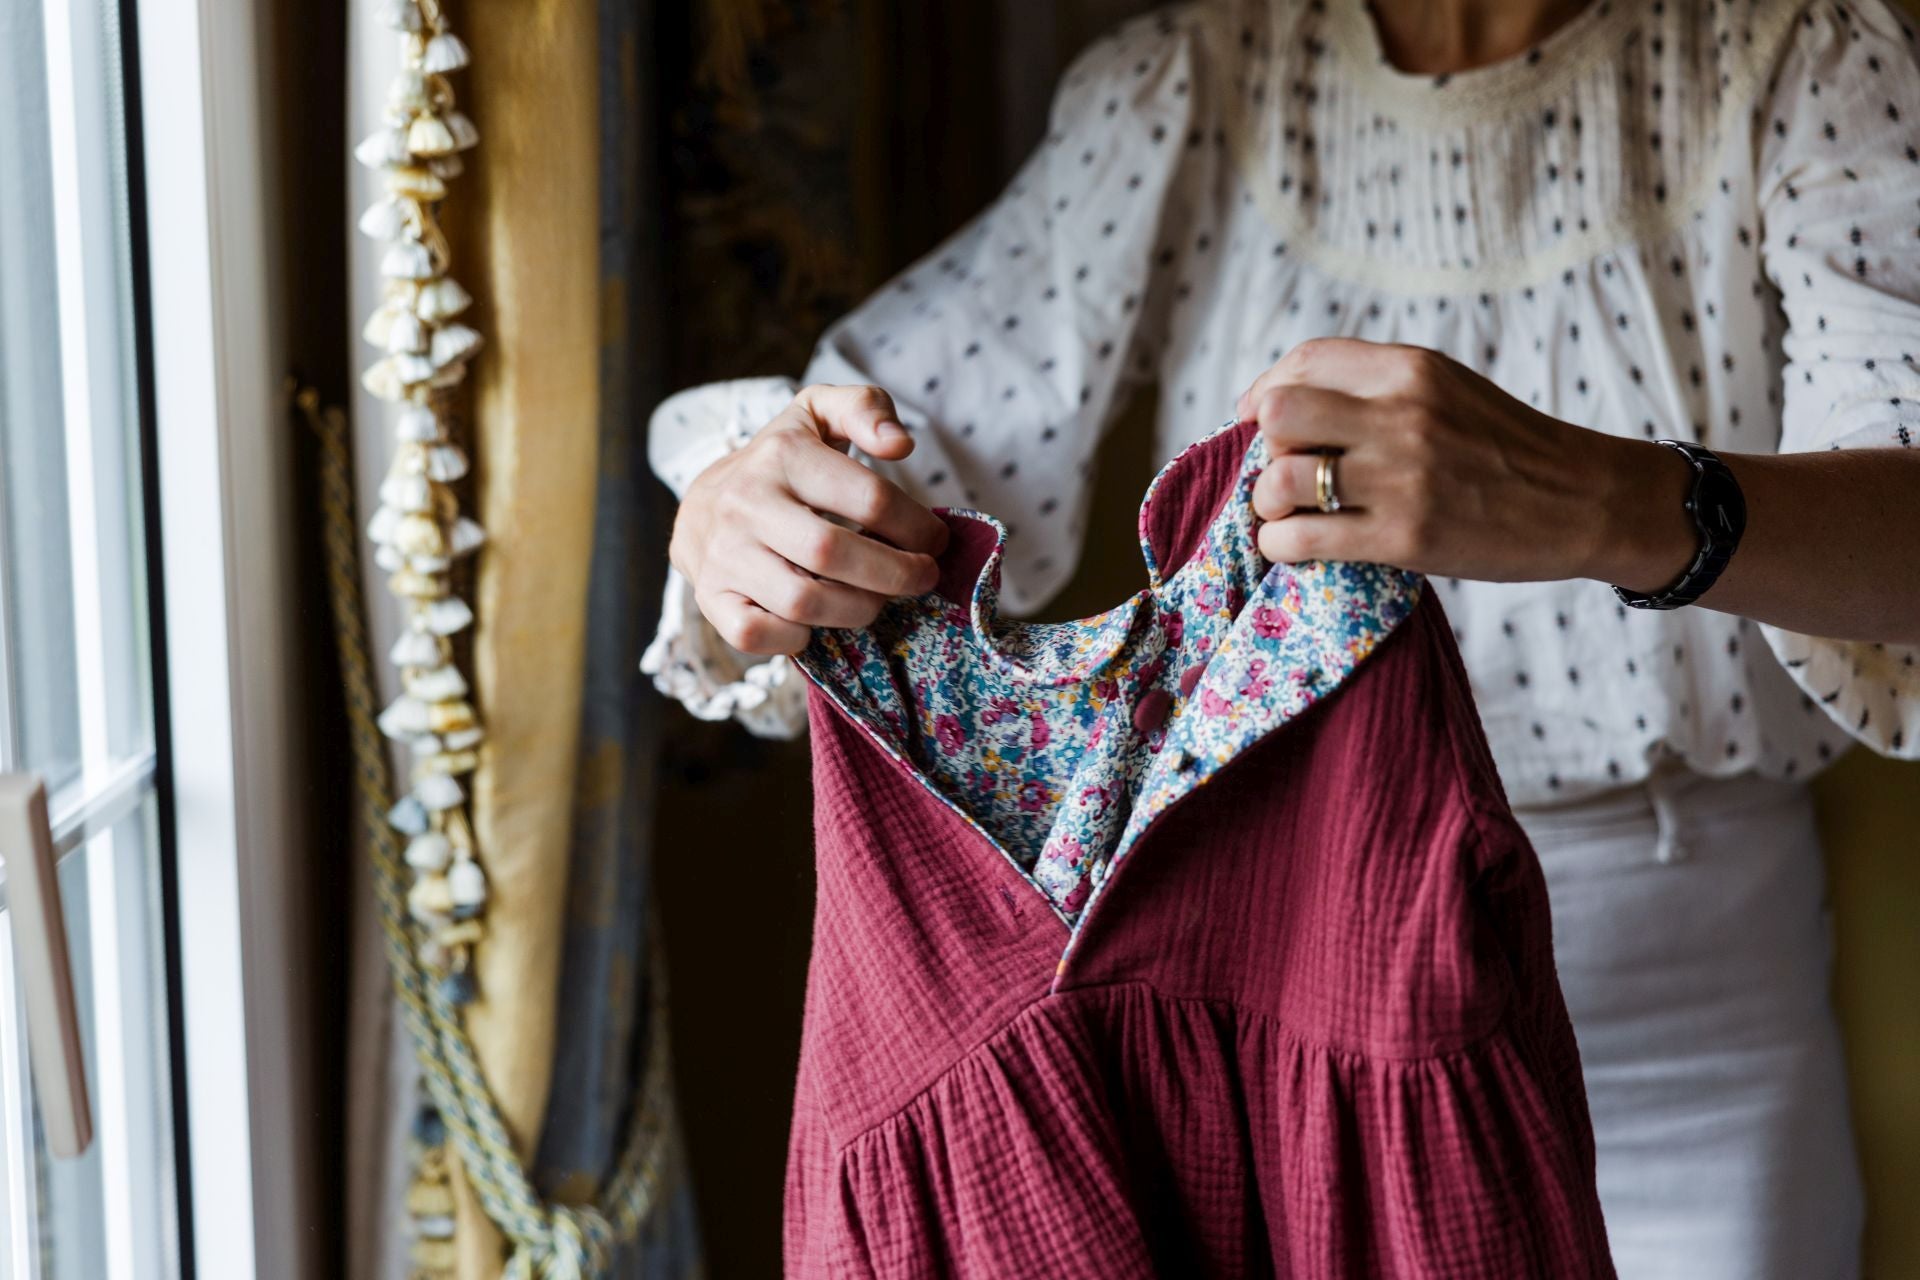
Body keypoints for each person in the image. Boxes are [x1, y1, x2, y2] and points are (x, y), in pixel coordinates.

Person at [643, 0, 1920, 1275]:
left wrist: (1605, 500)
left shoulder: (1805, 59)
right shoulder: (1194, 82)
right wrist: (767, 509)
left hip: (1695, 1037)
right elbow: (894, 447)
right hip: (1267, 1008)